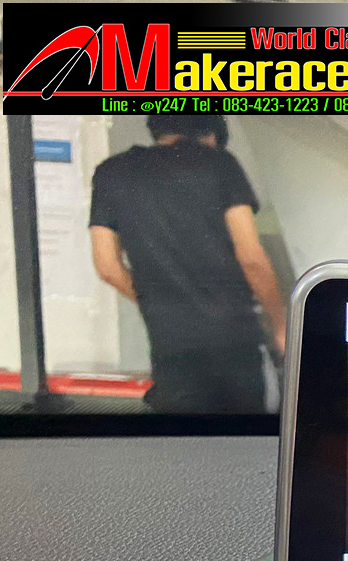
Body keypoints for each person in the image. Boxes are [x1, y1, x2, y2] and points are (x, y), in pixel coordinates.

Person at [88, 114, 286, 413]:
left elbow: (107, 266)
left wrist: (159, 302)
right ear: (211, 136)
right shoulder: (220, 164)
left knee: (182, 438)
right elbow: (251, 258)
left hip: (171, 352)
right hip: (236, 346)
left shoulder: (111, 173)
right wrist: (281, 325)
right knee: (246, 437)